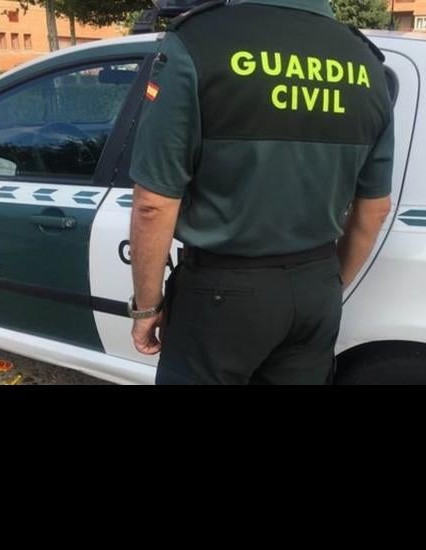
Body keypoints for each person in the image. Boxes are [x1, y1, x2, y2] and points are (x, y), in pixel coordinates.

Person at [127, 0, 394, 384]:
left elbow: (153, 204)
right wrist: (328, 286)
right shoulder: (365, 61)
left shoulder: (200, 39)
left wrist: (146, 308)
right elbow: (375, 209)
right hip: (317, 285)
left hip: (221, 294)